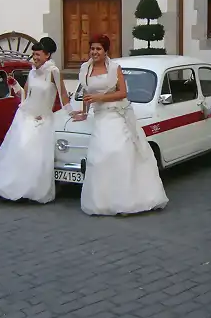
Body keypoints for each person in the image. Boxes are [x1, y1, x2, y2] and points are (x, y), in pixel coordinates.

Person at [72, 34, 168, 216]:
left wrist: (99, 97)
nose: (94, 52)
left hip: (116, 115)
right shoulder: (85, 69)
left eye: (98, 49)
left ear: (105, 51)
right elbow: (86, 93)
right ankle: (103, 200)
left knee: (118, 152)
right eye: (92, 48)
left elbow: (123, 93)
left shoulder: (115, 68)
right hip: (100, 118)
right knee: (99, 157)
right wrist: (84, 113)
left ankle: (126, 201)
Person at [0, 37, 71, 203]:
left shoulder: (53, 72)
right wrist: (14, 84)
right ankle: (9, 185)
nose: (35, 58)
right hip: (25, 116)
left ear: (47, 55)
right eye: (34, 54)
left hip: (42, 119)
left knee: (32, 153)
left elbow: (63, 94)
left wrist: (71, 113)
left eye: (38, 54)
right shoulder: (31, 72)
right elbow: (25, 95)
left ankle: (30, 189)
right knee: (17, 149)